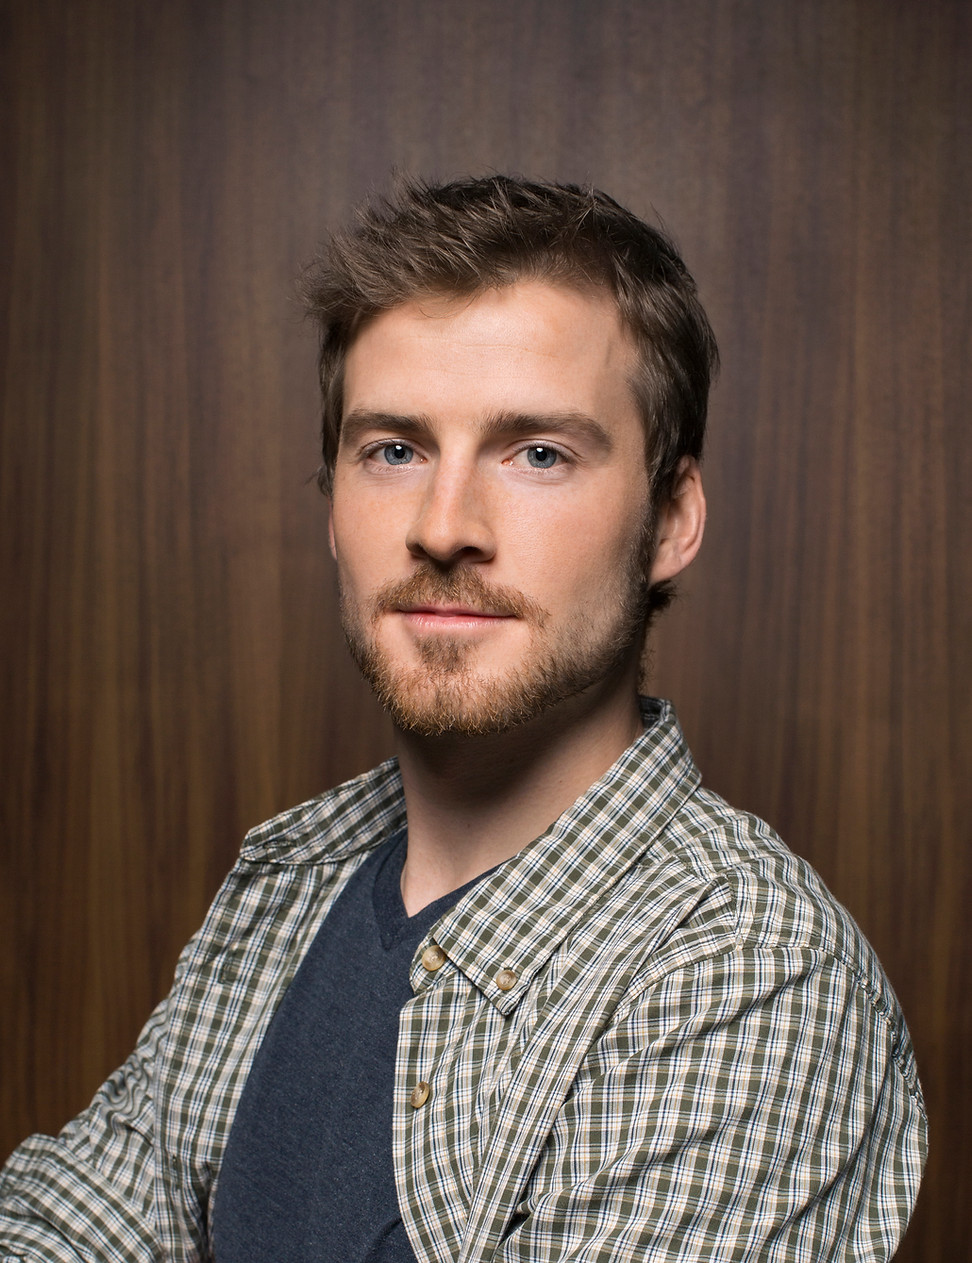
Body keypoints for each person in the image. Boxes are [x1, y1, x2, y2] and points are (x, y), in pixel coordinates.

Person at [1, 175, 926, 1262]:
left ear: (672, 520)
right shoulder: (292, 878)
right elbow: (77, 1223)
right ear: (332, 502)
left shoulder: (747, 975)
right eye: (393, 449)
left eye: (537, 453)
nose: (444, 528)